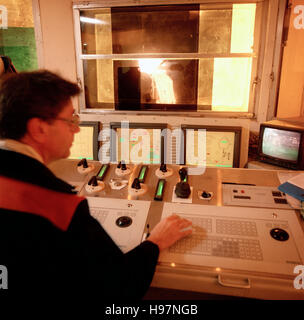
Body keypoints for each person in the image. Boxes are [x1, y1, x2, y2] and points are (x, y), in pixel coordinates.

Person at [0, 70, 192, 300]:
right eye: (70, 119)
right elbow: (118, 286)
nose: (77, 128)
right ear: (38, 128)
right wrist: (156, 241)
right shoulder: (58, 206)